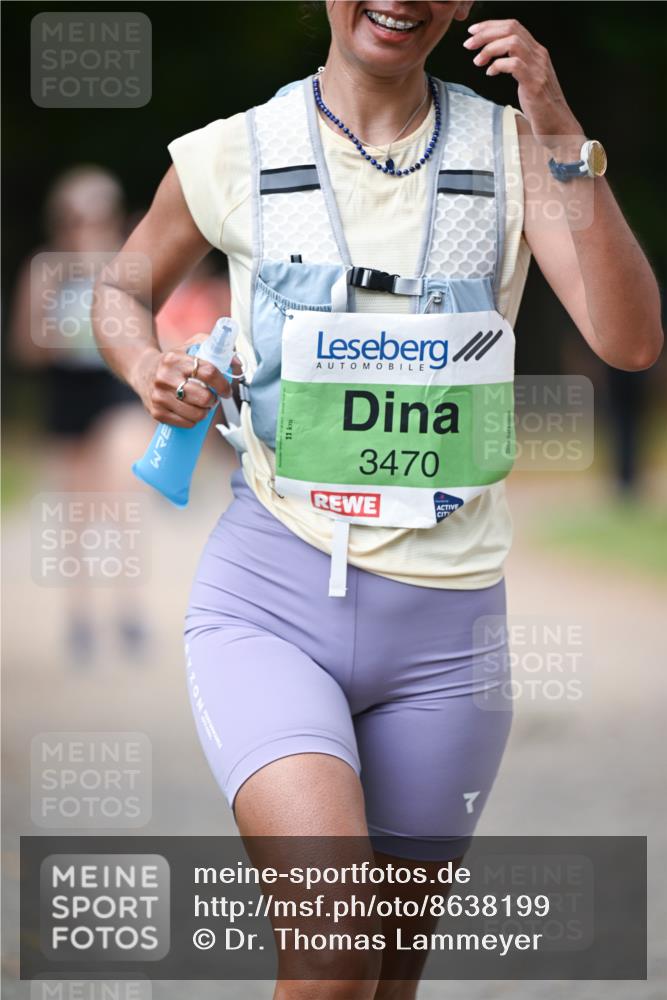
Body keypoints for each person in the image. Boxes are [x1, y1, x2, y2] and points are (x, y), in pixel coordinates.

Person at [92, 3, 663, 996]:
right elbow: (118, 286)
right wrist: (146, 364)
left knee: (389, 972)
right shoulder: (234, 151)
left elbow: (630, 340)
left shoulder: (516, 148)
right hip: (270, 604)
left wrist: (561, 132)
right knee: (332, 948)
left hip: (450, 636)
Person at [9, 166, 151, 663]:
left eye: (98, 215)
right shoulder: (44, 269)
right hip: (65, 391)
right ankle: (82, 617)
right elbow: (24, 349)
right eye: (75, 217)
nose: (86, 226)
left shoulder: (128, 266)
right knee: (76, 516)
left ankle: (129, 609)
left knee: (121, 495)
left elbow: (152, 336)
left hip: (116, 392)